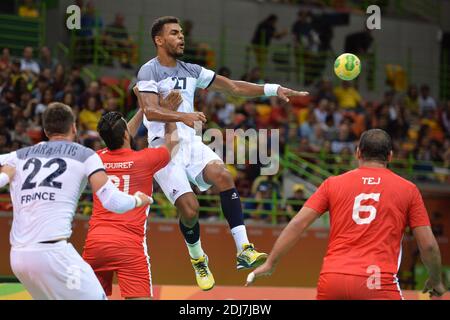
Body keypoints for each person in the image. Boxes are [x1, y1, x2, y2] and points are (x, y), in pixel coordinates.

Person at [136, 16, 308, 291]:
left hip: (191, 141)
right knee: (190, 210)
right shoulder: (149, 71)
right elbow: (149, 110)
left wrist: (273, 89)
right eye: (174, 33)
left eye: (182, 33)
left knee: (223, 175)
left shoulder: (192, 70)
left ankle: (244, 249)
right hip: (163, 146)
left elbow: (234, 87)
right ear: (159, 40)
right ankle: (198, 258)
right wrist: (185, 114)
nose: (181, 37)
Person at [247, 129, 447, 300]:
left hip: (333, 278)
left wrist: (271, 262)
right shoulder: (408, 189)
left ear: (358, 153)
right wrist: (436, 279)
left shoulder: (332, 184)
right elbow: (428, 245)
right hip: (377, 281)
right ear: (390, 156)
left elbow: (297, 224)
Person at [0, 102, 152, 300]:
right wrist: (137, 200)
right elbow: (112, 202)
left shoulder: (18, 156)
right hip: (53, 254)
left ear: (45, 130)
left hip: (19, 258)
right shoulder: (86, 155)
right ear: (73, 127)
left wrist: (4, 177)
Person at [83, 88, 181, 300]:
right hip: (129, 245)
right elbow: (173, 144)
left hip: (96, 243)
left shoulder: (96, 159)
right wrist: (169, 114)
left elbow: (120, 135)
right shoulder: (144, 160)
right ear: (126, 134)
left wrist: (143, 109)